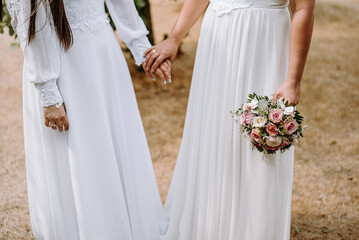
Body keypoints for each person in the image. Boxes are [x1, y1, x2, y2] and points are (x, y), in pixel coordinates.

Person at [144, 0, 315, 239]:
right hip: (218, 40)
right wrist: (174, 37)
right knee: (213, 136)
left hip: (264, 43)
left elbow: (303, 9)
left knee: (257, 140)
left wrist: (293, 80)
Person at [3, 0, 170, 238]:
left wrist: (141, 47)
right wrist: (49, 92)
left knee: (113, 144)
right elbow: (29, 17)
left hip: (103, 54)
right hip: (63, 64)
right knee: (83, 151)